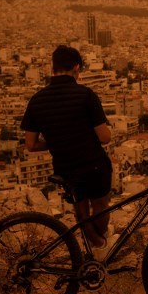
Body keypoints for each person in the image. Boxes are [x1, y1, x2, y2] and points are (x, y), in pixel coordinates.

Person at [21, 45, 117, 256]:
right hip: (93, 164)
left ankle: (94, 246)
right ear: (76, 68)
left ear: (52, 68)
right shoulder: (86, 95)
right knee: (100, 205)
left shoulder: (37, 100)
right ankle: (100, 245)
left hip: (65, 167)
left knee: (80, 210)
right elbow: (105, 137)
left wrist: (58, 140)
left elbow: (31, 145)